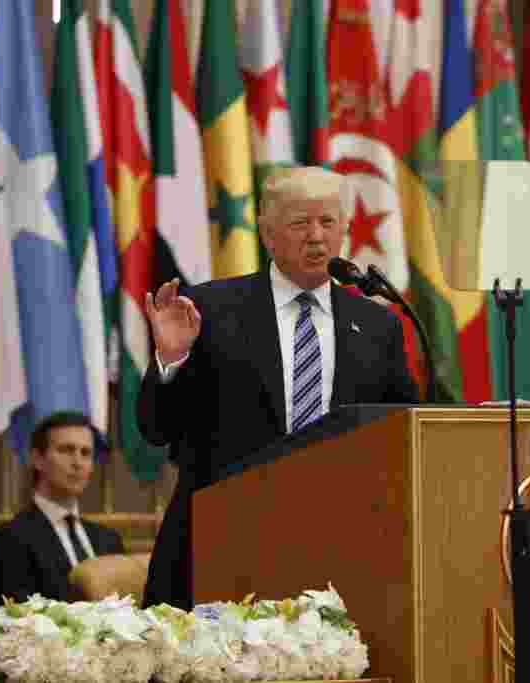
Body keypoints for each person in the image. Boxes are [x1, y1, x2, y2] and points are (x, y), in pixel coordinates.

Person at [138, 166, 419, 609]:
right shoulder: (210, 309)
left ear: (344, 229)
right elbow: (157, 428)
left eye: (327, 222)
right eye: (299, 223)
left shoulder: (377, 324)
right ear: (268, 234)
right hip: (223, 543)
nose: (315, 236)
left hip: (340, 552)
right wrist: (171, 360)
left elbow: (404, 435)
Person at [0, 411, 124, 607]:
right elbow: (17, 619)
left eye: (86, 453)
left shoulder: (109, 540)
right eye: (66, 450)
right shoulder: (10, 539)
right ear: (37, 459)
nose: (77, 462)